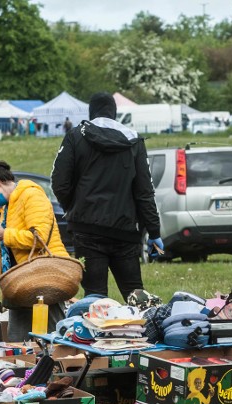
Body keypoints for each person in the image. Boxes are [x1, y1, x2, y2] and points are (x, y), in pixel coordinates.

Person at [51, 92, 161, 300]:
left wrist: (73, 207)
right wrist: (154, 231)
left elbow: (60, 182)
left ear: (91, 112)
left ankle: (94, 332)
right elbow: (145, 191)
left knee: (94, 296)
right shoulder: (134, 141)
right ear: (115, 112)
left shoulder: (75, 136)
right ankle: (146, 331)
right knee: (136, 295)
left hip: (86, 229)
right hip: (125, 231)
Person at [0, 159, 69, 341]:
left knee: (53, 336)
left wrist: (5, 235)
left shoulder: (31, 196)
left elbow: (39, 237)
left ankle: (61, 366)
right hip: (20, 281)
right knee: (17, 340)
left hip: (42, 277)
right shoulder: (8, 205)